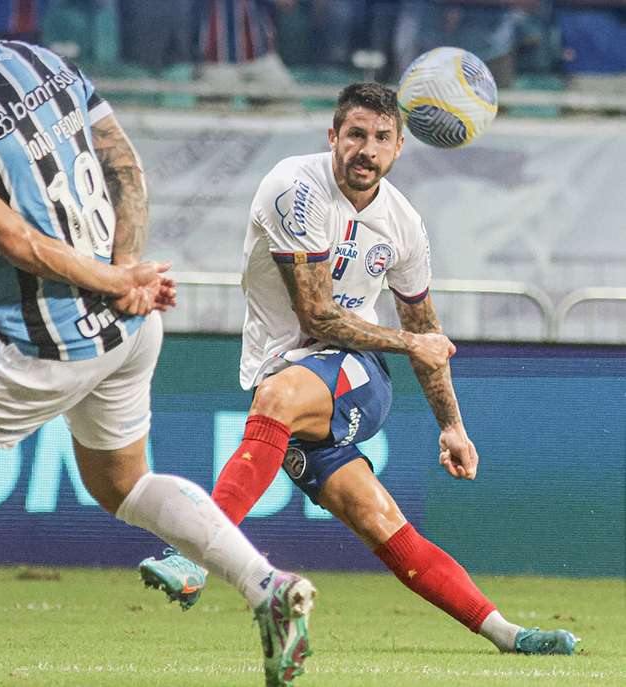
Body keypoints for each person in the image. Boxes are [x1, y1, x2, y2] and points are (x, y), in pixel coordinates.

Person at [0, 2, 316, 686]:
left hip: (48, 341)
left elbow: (17, 241)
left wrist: (115, 277)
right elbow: (125, 165)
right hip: (130, 328)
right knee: (122, 482)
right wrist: (127, 274)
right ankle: (267, 585)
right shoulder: (49, 63)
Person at [140, 82, 578, 657]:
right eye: (355, 135)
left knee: (276, 399)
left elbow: (425, 327)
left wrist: (451, 424)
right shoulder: (295, 189)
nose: (366, 149)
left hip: (357, 374)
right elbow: (317, 313)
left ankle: (194, 556)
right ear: (332, 138)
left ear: (398, 149)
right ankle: (509, 634)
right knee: (379, 519)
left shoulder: (404, 225)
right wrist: (411, 343)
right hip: (294, 368)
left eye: (381, 138)